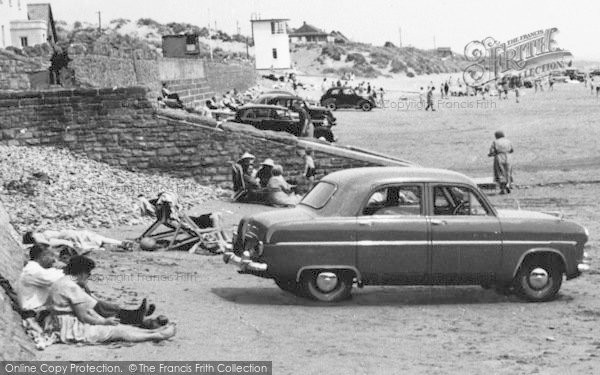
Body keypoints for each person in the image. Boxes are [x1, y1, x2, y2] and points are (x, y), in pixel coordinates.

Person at [47, 255, 176, 344]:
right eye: (88, 273)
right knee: (117, 331)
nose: (89, 276)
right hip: (70, 327)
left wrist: (103, 320)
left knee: (118, 327)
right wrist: (103, 322)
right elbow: (83, 317)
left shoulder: (64, 281)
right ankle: (157, 335)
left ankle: (154, 331)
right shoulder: (71, 286)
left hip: (63, 322)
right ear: (82, 272)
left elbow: (85, 310)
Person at [23, 230, 124, 253]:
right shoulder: (42, 233)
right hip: (69, 232)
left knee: (83, 245)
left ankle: (98, 248)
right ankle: (120, 243)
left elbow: (49, 243)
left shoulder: (38, 238)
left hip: (66, 236)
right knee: (99, 238)